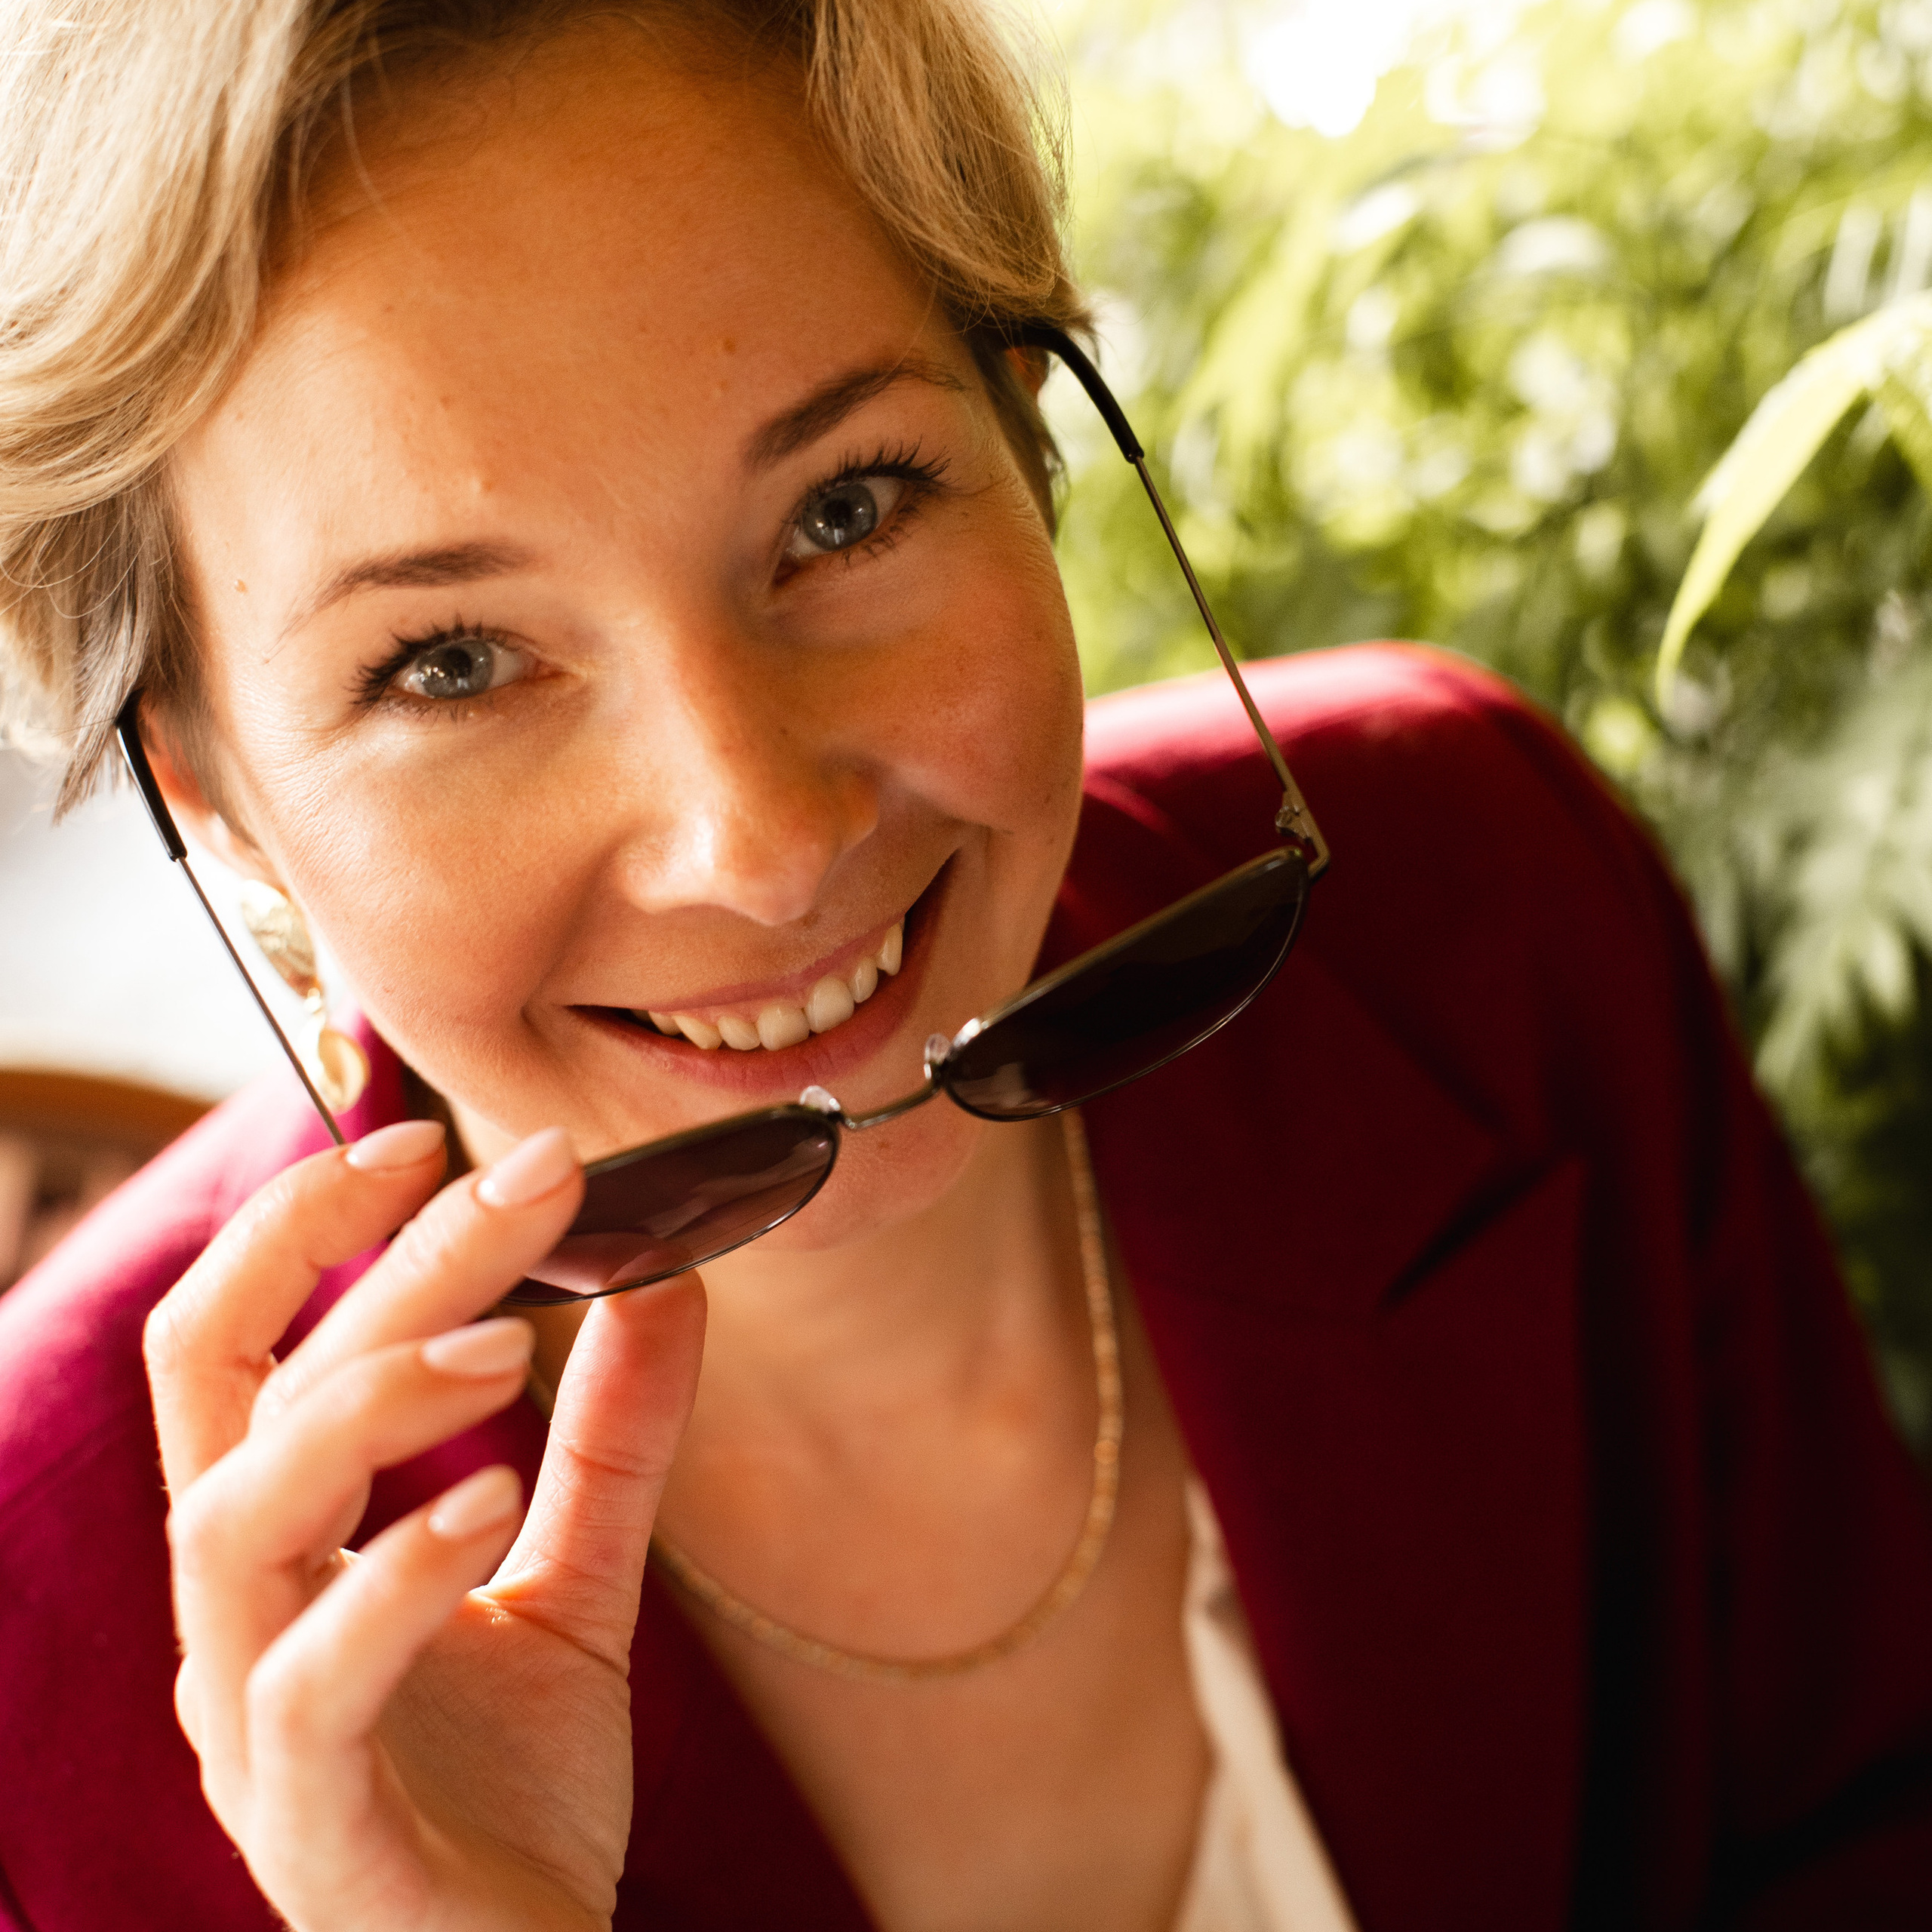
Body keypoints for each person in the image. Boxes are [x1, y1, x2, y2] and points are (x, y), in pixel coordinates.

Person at [1, 2, 1930, 1928]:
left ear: (1030, 433)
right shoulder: (32, 1651)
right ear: (214, 793)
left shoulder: (1473, 893)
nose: (762, 839)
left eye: (842, 510)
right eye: (450, 663)